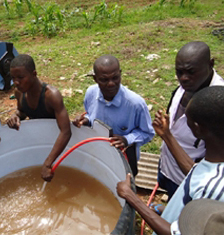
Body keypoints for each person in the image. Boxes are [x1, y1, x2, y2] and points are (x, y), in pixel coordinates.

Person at [116, 86, 224, 235]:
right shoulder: (216, 162)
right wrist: (167, 135)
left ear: (198, 129)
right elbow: (196, 174)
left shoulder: (213, 188)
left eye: (188, 120)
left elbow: (173, 233)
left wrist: (130, 196)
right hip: (180, 217)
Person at [152, 41, 224, 200]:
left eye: (191, 72)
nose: (183, 79)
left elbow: (200, 172)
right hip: (168, 165)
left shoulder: (217, 104)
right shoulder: (189, 85)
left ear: (210, 64)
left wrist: (167, 136)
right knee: (170, 197)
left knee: (181, 209)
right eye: (179, 72)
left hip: (187, 179)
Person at [73, 55, 154, 176]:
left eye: (115, 78)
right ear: (95, 79)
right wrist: (86, 120)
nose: (111, 84)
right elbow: (91, 115)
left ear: (120, 74)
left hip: (125, 156)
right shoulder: (91, 93)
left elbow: (147, 133)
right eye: (104, 80)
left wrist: (127, 139)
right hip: (98, 151)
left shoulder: (135, 104)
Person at [6, 54, 71, 182]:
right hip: (39, 141)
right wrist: (15, 115)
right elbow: (22, 112)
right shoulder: (19, 93)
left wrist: (48, 163)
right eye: (13, 78)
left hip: (56, 145)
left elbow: (66, 131)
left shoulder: (51, 95)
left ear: (34, 74)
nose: (16, 82)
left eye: (21, 77)